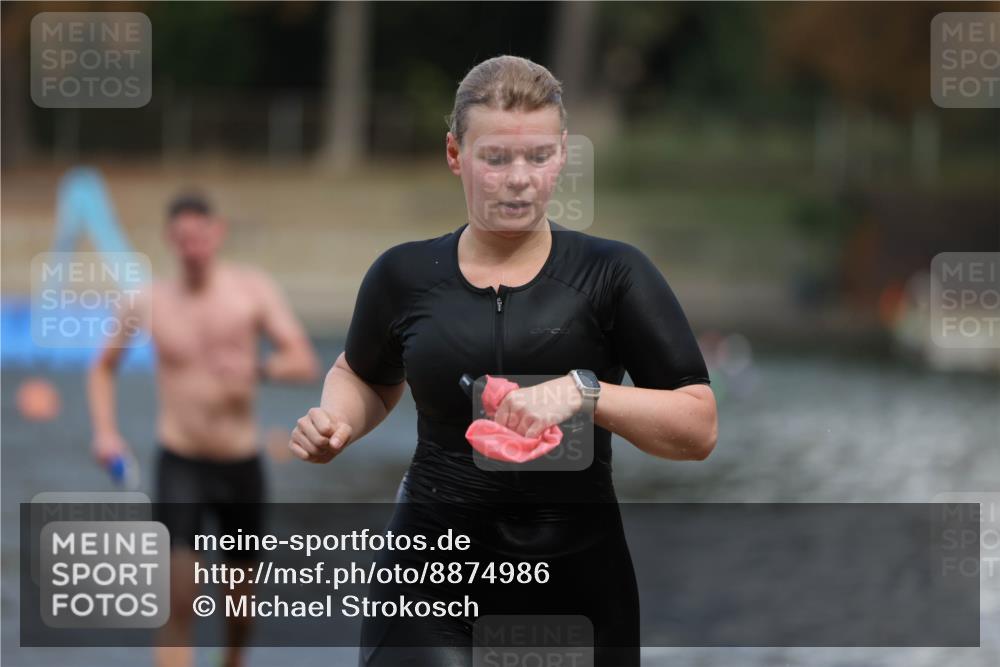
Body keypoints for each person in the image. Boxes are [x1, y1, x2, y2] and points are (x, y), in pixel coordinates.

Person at [289, 55, 718, 667]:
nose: (519, 178)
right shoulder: (404, 276)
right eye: (496, 158)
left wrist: (585, 393)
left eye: (538, 156)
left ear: (563, 155)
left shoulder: (613, 276)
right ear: (455, 154)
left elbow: (698, 427)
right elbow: (362, 375)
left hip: (574, 583)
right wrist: (337, 422)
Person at [87, 191, 320, 667]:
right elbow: (102, 367)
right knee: (178, 602)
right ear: (171, 241)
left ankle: (232, 659)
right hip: (180, 460)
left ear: (217, 233)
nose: (192, 248)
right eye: (182, 239)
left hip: (240, 462)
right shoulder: (148, 301)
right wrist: (106, 432)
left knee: (240, 609)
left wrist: (258, 370)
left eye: (200, 237)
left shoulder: (251, 291)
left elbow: (304, 361)